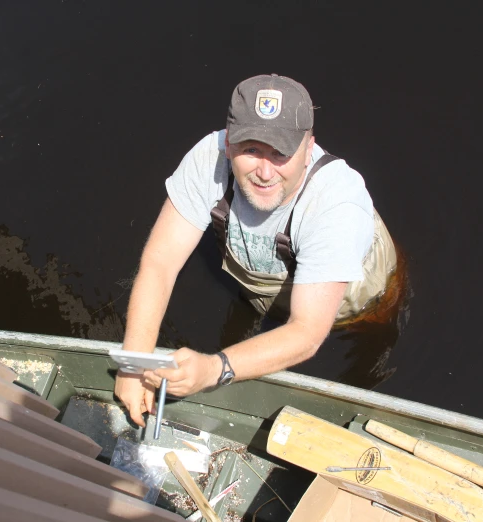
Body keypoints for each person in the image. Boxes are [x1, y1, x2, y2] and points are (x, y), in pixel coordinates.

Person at [115, 74, 399, 427]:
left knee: (374, 323)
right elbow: (160, 262)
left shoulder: (335, 205)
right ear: (229, 142)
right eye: (251, 149)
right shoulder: (209, 158)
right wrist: (135, 362)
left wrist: (212, 369)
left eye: (281, 153)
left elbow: (308, 333)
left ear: (308, 148)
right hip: (261, 282)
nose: (265, 172)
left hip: (353, 300)